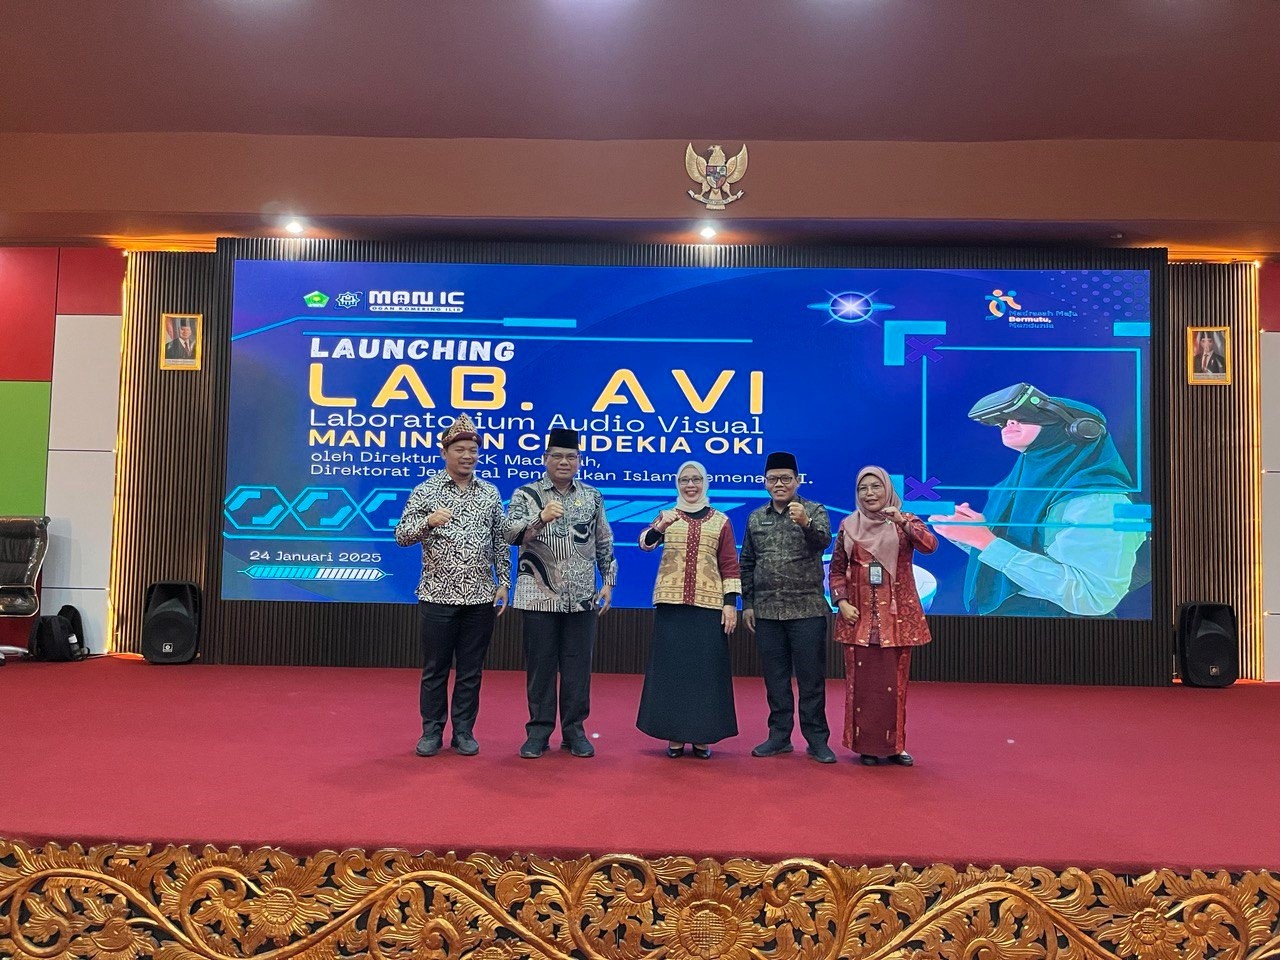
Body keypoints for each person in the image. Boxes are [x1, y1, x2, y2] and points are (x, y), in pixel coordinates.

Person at [930, 382, 1146, 617]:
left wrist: (985, 541)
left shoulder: (1099, 501)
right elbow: (1015, 556)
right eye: (1006, 420)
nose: (1010, 423)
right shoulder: (1017, 485)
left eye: (1025, 416)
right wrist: (970, 534)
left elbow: (1093, 596)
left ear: (1082, 430)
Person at [394, 413, 510, 757]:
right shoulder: (425, 491)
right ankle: (431, 731)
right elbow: (402, 536)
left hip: (480, 597)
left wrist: (503, 582)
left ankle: (463, 732)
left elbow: (500, 541)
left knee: (471, 671)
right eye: (460, 449)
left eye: (473, 450)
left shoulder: (489, 493)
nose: (467, 456)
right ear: (445, 452)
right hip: (437, 595)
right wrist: (428, 522)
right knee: (435, 670)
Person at [506, 427, 617, 758]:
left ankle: (574, 731)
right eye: (557, 456)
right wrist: (540, 518)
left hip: (582, 597)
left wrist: (608, 581)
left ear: (579, 460)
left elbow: (603, 540)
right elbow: (511, 535)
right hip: (538, 597)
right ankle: (539, 731)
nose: (564, 462)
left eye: (571, 456)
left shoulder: (592, 496)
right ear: (545, 459)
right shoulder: (526, 494)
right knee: (540, 667)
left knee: (578, 668)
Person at [829, 466, 937, 766]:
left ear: (887, 489)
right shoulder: (849, 526)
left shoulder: (905, 521)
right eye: (863, 488)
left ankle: (895, 746)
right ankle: (866, 745)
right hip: (859, 620)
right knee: (864, 687)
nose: (869, 493)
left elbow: (930, 546)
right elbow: (836, 570)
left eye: (876, 486)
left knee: (895, 686)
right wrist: (841, 601)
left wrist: (901, 521)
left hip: (896, 621)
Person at [635, 461, 740, 759]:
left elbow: (729, 564)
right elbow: (645, 544)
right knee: (673, 672)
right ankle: (675, 736)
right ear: (677, 484)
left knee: (705, 672)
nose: (690, 485)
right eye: (684, 480)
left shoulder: (721, 520)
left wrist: (730, 604)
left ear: (705, 482)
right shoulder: (667, 516)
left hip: (708, 607)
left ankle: (702, 736)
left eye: (696, 480)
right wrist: (659, 527)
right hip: (671, 606)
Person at [740, 451, 836, 764]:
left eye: (785, 478)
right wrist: (748, 603)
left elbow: (824, 542)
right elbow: (747, 562)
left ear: (797, 481)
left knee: (811, 681)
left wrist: (806, 523)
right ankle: (779, 736)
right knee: (776, 680)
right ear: (765, 482)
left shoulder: (814, 510)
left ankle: (817, 740)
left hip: (807, 609)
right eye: (773, 479)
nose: (779, 484)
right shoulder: (756, 517)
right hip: (767, 612)